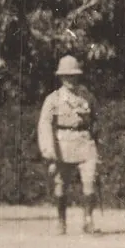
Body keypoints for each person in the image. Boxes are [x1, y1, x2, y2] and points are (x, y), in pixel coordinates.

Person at [39, 55, 101, 235]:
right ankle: (61, 221)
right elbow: (44, 125)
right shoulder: (53, 99)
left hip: (84, 142)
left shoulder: (87, 96)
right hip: (62, 144)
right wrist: (48, 151)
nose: (70, 79)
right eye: (66, 75)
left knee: (90, 181)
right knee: (60, 185)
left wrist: (97, 137)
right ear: (60, 77)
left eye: (73, 75)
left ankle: (88, 220)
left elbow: (97, 118)